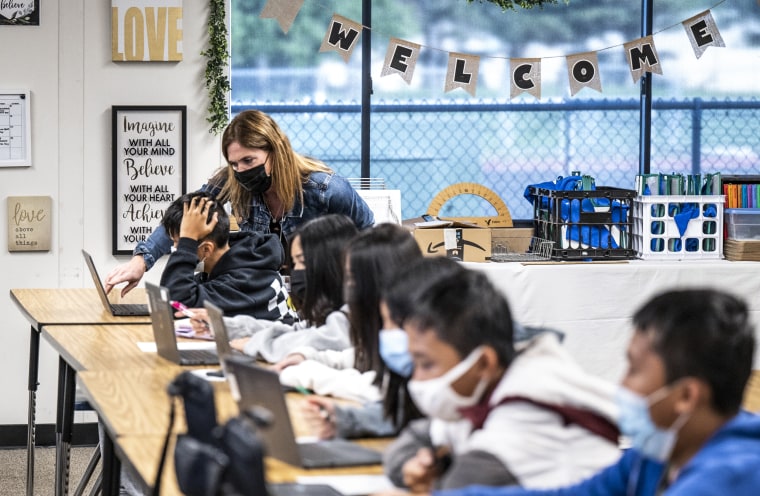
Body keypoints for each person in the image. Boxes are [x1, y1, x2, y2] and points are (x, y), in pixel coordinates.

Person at [387, 288, 760, 496]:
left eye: (633, 370)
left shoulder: (730, 477)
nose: (621, 385)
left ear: (685, 397)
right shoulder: (658, 456)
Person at [378, 257, 621, 493]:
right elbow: (421, 436)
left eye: (427, 365)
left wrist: (432, 480)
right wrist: (418, 466)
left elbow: (461, 486)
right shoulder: (485, 387)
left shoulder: (526, 412)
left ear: (483, 363)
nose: (417, 379)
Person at [105, 109, 374, 296]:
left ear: (275, 151)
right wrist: (141, 261)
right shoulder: (232, 180)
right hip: (264, 295)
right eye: (234, 163)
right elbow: (188, 214)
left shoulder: (326, 189)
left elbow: (368, 234)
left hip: (318, 293)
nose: (241, 170)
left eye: (249, 161)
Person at [275, 223, 424, 440]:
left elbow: (388, 393)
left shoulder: (422, 328)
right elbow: (360, 356)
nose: (348, 288)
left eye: (353, 279)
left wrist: (311, 375)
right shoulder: (385, 323)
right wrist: (307, 357)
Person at [215, 214, 358, 358]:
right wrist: (224, 325)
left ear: (331, 263)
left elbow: (317, 340)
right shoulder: (327, 310)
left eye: (303, 261)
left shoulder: (355, 312)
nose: (297, 271)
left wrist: (254, 344)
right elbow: (296, 331)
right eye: (295, 264)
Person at [159, 191, 292, 321]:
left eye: (180, 243)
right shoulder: (233, 263)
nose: (177, 249)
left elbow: (176, 306)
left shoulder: (244, 281)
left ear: (206, 249)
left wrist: (188, 242)